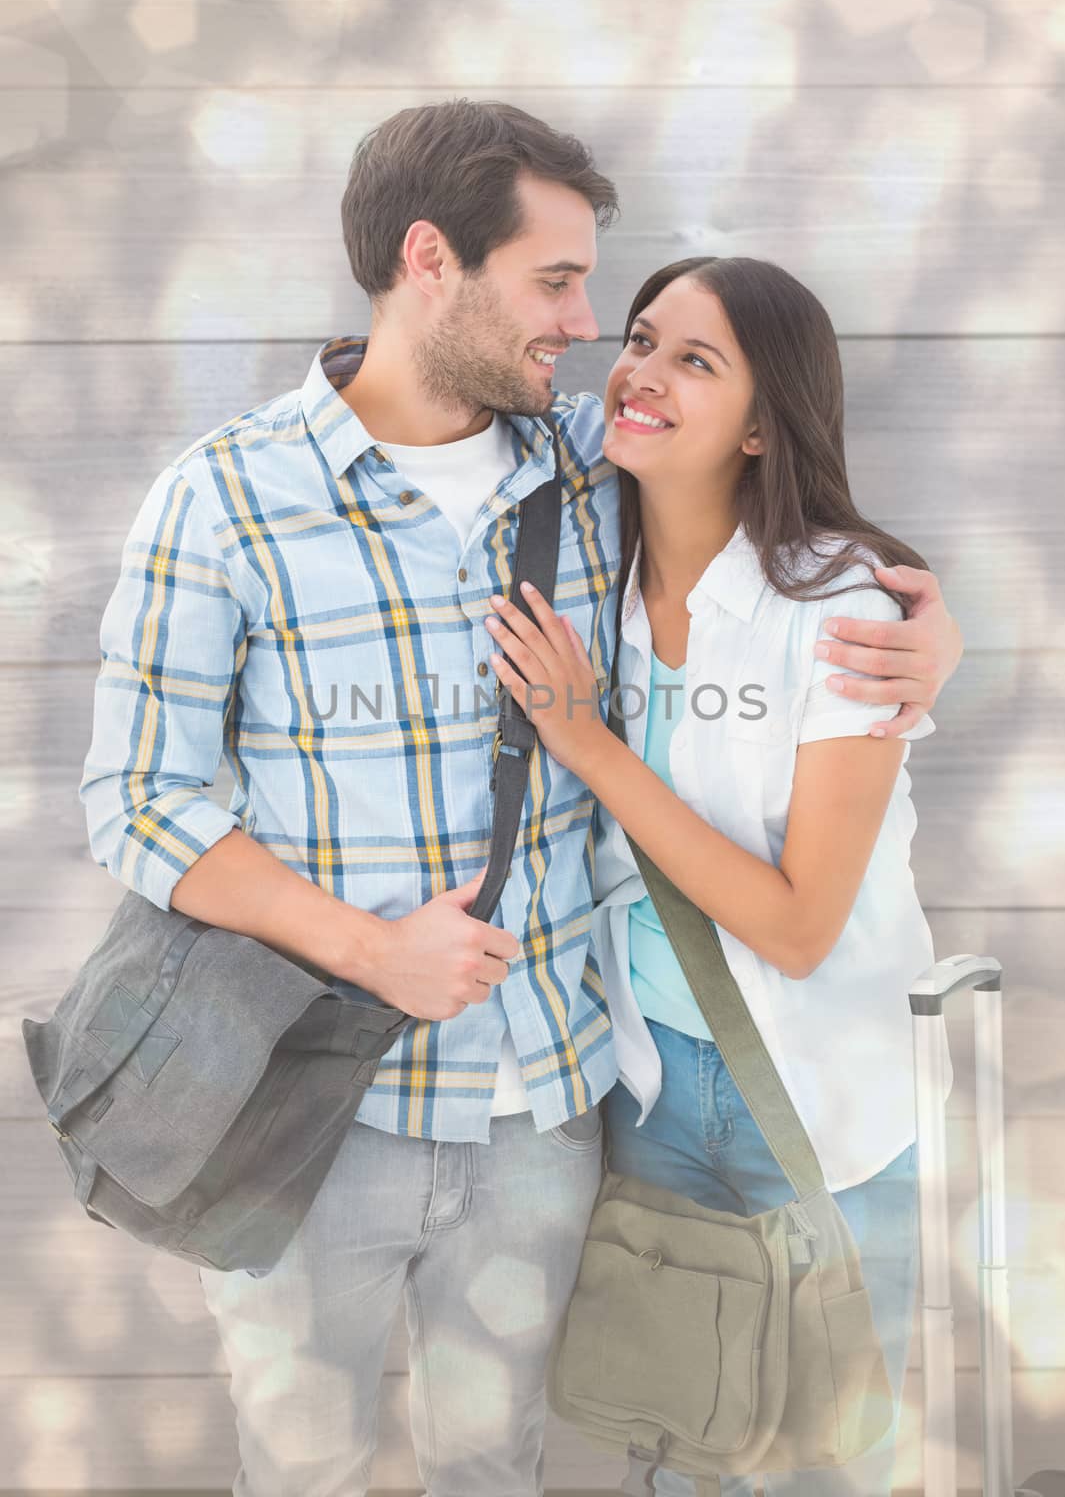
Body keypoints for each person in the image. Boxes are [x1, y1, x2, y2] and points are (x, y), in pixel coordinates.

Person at [78, 102, 961, 1497]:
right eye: (555, 281)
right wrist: (370, 948)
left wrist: (923, 637)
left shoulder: (588, 464)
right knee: (296, 1473)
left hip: (552, 1111)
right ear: (431, 258)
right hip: (315, 1113)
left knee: (499, 1473)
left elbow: (768, 540)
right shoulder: (226, 500)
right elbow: (136, 799)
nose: (586, 320)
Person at [483, 253, 949, 1496]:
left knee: (825, 1465)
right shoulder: (596, 573)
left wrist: (587, 739)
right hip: (649, 1094)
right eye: (639, 340)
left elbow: (797, 925)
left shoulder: (840, 610)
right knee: (685, 1437)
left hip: (816, 1100)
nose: (639, 372)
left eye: (697, 360)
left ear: (762, 424)